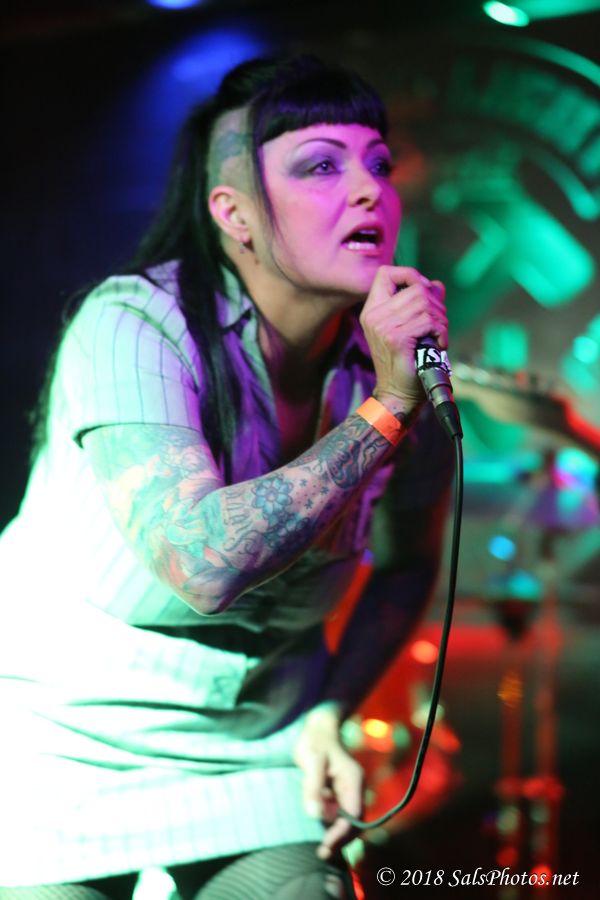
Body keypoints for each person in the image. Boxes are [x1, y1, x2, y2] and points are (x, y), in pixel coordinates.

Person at [0, 55, 453, 899]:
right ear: (233, 213)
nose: (370, 191)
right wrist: (387, 410)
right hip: (60, 736)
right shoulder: (132, 325)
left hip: (257, 743)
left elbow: (410, 563)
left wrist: (332, 708)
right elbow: (202, 562)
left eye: (379, 163)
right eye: (321, 165)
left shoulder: (391, 363)